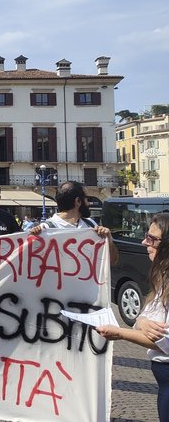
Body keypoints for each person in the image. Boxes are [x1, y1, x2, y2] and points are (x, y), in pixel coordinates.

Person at [97, 214, 169, 422]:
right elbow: (145, 316)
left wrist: (120, 333)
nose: (144, 242)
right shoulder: (162, 277)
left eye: (152, 238)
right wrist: (141, 322)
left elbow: (164, 340)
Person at [29, 180, 118, 263]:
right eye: (87, 199)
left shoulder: (91, 225)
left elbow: (112, 261)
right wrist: (31, 239)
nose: (89, 203)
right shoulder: (46, 229)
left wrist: (108, 240)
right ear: (78, 201)